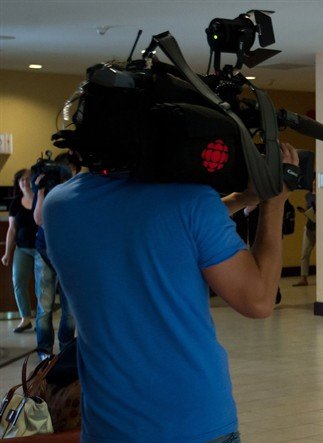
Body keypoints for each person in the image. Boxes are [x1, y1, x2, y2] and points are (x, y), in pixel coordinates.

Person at [43, 143, 299, 442]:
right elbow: (258, 300)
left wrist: (241, 198)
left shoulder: (59, 205)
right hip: (194, 422)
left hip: (107, 423)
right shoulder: (191, 201)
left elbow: (156, 221)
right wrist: (274, 203)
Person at [32, 152, 81, 358]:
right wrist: (41, 191)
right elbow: (39, 220)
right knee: (45, 306)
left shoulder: (80, 189)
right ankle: (44, 350)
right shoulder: (47, 189)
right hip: (45, 250)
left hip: (70, 252)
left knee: (69, 309)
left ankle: (66, 348)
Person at [1, 168, 38, 333]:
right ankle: (25, 318)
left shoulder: (40, 198)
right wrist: (8, 252)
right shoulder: (15, 202)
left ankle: (43, 321)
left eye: (29, 178)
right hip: (22, 249)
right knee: (18, 282)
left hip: (40, 249)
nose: (25, 182)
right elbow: (12, 229)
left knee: (43, 285)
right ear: (18, 183)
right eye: (22, 179)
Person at [293, 186, 316, 287]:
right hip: (309, 226)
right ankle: (303, 278)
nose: (314, 184)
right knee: (304, 253)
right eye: (313, 182)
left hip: (321, 227)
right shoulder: (308, 196)